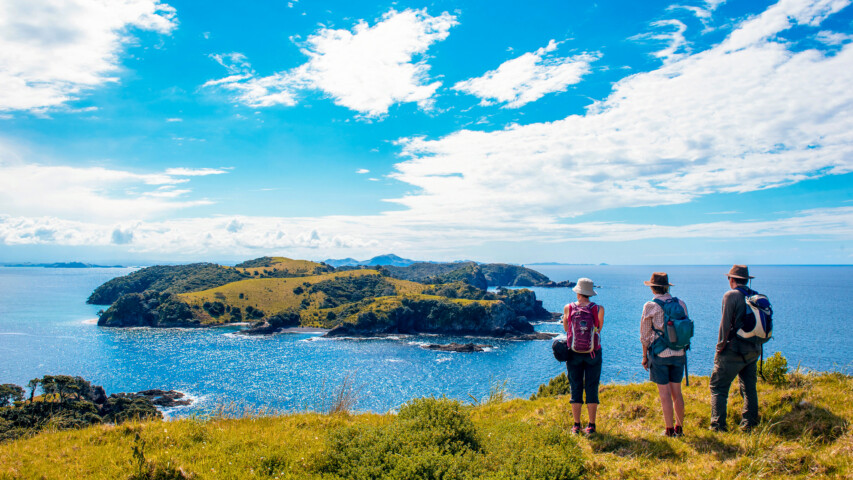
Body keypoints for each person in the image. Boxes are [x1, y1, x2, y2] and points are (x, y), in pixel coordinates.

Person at [709, 265, 761, 432]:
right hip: (753, 350)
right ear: (746, 280)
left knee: (718, 387)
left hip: (733, 350)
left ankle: (718, 426)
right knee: (749, 388)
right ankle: (749, 423)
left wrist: (720, 347)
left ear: (731, 279)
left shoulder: (730, 296)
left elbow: (725, 325)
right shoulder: (756, 296)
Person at [640, 272, 688, 437]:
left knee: (664, 394)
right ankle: (679, 429)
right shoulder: (680, 303)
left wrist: (645, 357)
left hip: (660, 354)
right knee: (677, 392)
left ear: (653, 288)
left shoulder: (650, 306)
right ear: (667, 286)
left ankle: (668, 430)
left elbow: (645, 335)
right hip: (680, 352)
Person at [562, 277, 604, 435]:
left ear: (578, 292)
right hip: (593, 352)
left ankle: (576, 425)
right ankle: (591, 425)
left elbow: (567, 329)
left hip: (573, 353)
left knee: (576, 387)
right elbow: (598, 329)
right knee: (592, 387)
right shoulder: (598, 309)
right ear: (590, 293)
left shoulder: (569, 307)